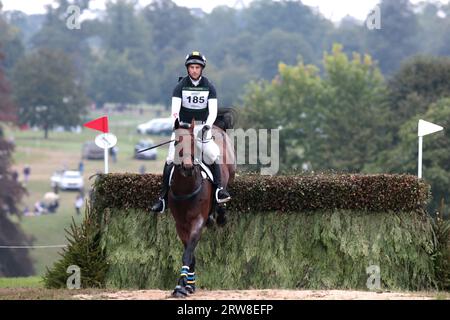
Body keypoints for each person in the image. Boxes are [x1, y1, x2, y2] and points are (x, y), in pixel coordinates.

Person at [151, 51, 231, 213]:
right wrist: (178, 124)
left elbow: (213, 111)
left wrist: (208, 126)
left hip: (202, 127)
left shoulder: (209, 86)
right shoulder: (180, 86)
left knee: (213, 155)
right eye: (191, 67)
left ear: (202, 69)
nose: (194, 70)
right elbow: (174, 110)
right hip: (183, 127)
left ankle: (219, 191)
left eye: (197, 67)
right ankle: (163, 199)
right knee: (170, 160)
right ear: (187, 69)